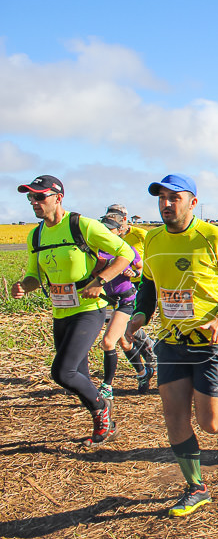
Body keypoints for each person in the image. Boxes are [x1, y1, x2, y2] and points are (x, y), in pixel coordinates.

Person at [125, 173, 218, 518]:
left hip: (213, 342)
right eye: (161, 198)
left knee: (211, 422)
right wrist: (139, 315)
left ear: (192, 203)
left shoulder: (213, 237)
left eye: (174, 198)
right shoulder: (152, 240)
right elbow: (149, 286)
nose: (166, 204)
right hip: (171, 341)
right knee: (174, 415)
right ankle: (196, 488)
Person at [11, 175, 133, 446]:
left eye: (40, 196)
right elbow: (35, 275)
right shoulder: (37, 234)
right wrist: (23, 286)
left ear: (58, 197)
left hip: (90, 309)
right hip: (61, 311)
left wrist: (100, 281)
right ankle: (105, 425)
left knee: (62, 372)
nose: (34, 202)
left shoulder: (82, 225)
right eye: (30, 197)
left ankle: (102, 408)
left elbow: (126, 252)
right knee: (79, 376)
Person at [95, 214, 154, 397]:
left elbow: (140, 270)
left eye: (109, 229)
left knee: (108, 341)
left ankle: (107, 387)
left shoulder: (126, 249)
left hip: (125, 300)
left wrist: (132, 273)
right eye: (102, 228)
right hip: (106, 301)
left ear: (119, 231)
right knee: (124, 341)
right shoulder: (94, 250)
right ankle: (143, 373)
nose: (105, 232)